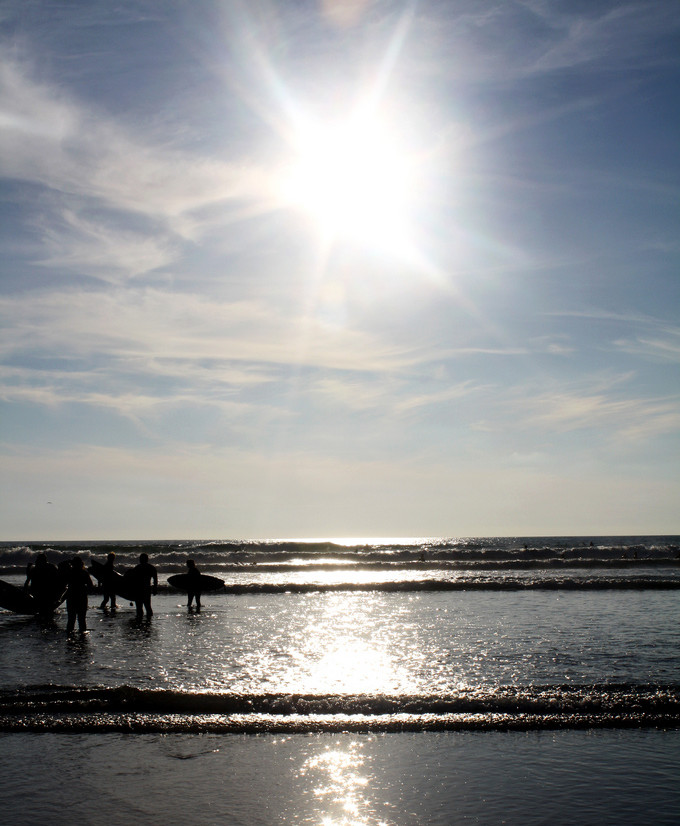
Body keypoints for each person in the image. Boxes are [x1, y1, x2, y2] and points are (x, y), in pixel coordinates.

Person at [66, 556, 93, 633]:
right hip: (82, 597)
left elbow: (64, 583)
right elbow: (90, 585)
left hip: (71, 597)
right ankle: (83, 638)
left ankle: (70, 637)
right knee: (82, 619)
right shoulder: (84, 573)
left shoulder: (70, 572)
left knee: (71, 619)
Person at [132, 552, 157, 618]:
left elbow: (132, 579)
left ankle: (140, 621)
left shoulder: (137, 567)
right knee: (148, 606)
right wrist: (155, 588)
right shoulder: (151, 567)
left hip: (138, 589)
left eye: (140, 559)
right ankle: (149, 621)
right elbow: (155, 580)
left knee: (139, 607)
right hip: (147, 588)